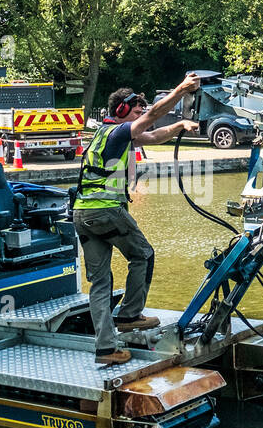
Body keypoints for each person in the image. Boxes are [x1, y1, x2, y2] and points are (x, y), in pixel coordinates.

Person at [73, 74, 202, 365]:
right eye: (135, 111)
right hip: (104, 210)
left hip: (82, 213)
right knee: (143, 254)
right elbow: (155, 115)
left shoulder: (107, 133)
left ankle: (106, 350)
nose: (141, 115)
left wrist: (180, 125)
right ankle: (130, 315)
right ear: (120, 112)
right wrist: (181, 89)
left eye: (141, 111)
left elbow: (155, 135)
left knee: (101, 283)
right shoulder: (119, 133)